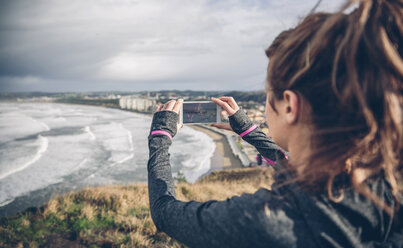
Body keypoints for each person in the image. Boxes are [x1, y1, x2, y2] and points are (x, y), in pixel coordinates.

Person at [147, 0, 403, 247]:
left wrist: (160, 135)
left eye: (269, 94)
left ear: (290, 106)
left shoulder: (267, 221)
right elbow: (291, 169)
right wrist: (248, 131)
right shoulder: (384, 189)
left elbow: (164, 212)